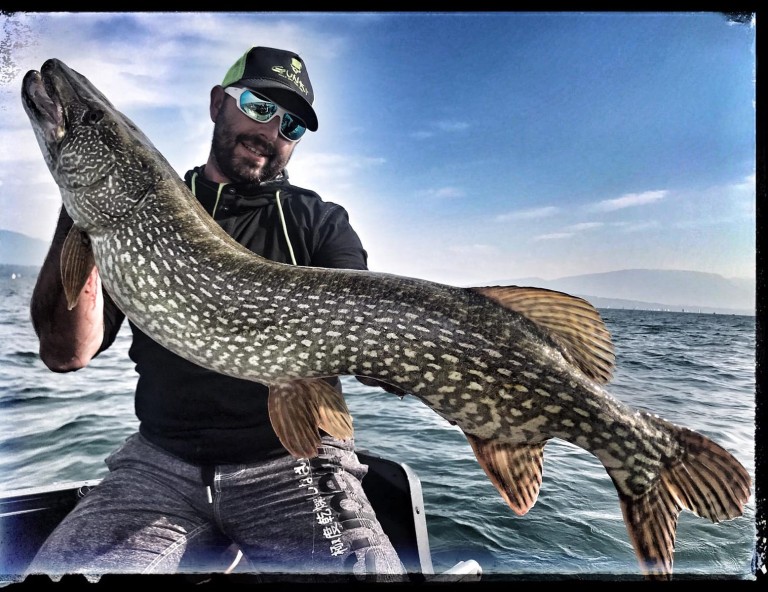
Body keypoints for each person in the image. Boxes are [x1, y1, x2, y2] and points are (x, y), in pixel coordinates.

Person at [26, 46, 406, 582]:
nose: (271, 131)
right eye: (257, 105)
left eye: (291, 125)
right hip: (159, 467)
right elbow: (67, 353)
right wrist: (82, 213)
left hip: (294, 465)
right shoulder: (140, 210)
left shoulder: (319, 223)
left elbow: (367, 325)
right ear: (216, 103)